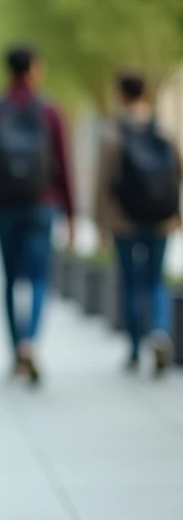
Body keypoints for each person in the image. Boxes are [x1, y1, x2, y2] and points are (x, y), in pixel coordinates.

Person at [0, 45, 76, 386]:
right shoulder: (49, 110)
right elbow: (63, 165)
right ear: (34, 69)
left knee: (10, 280)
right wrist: (71, 213)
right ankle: (30, 342)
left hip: (4, 205)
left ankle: (16, 351)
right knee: (39, 278)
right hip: (41, 204)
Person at [94, 72, 180, 377]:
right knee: (156, 280)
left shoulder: (112, 133)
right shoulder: (164, 129)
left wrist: (100, 222)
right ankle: (159, 333)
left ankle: (133, 350)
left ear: (121, 94)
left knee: (131, 283)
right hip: (161, 218)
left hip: (124, 220)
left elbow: (103, 182)